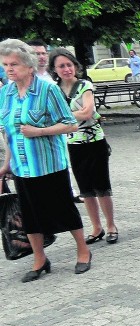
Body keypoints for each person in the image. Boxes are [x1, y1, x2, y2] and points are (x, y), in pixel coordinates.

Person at [0, 39, 91, 282]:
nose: (9, 69)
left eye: (14, 64)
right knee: (29, 216)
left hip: (49, 163)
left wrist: (39, 131)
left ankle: (83, 251)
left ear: (29, 66)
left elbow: (70, 123)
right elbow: (8, 132)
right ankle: (40, 259)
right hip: (22, 166)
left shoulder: (47, 89)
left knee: (64, 209)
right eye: (5, 64)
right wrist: (7, 163)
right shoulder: (5, 93)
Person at [49, 48, 120, 246]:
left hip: (95, 141)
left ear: (75, 66)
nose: (66, 69)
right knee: (85, 188)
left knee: (102, 186)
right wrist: (74, 114)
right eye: (61, 66)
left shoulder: (84, 85)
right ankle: (96, 227)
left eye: (69, 65)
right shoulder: (54, 90)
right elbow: (54, 116)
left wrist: (66, 117)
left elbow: (88, 112)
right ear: (54, 69)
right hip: (73, 142)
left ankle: (112, 225)